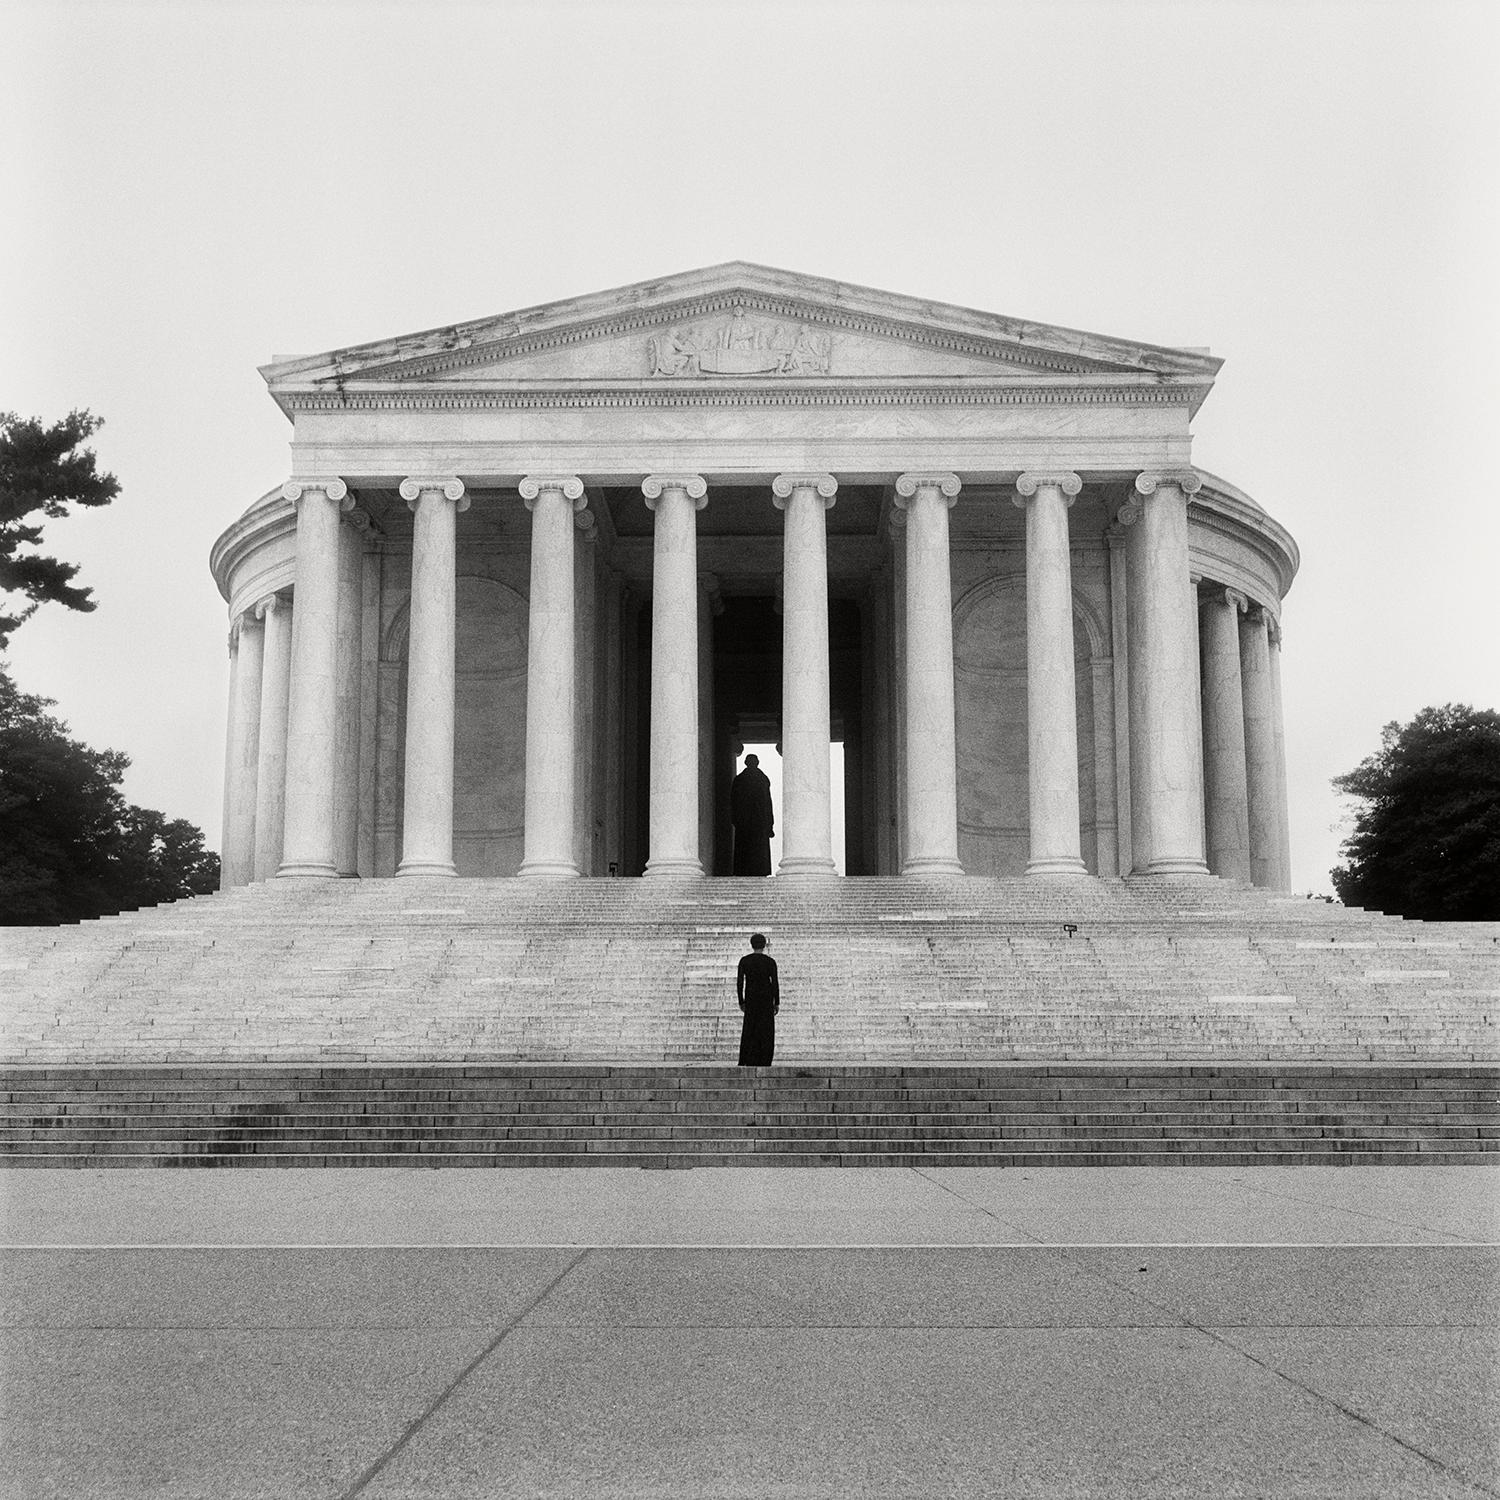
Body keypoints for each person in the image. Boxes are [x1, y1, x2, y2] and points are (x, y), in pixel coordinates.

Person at [736, 933, 780, 1066]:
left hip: (751, 997)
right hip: (766, 998)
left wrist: (741, 1001)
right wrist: (776, 1002)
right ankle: (765, 1058)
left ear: (751, 944)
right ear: (764, 945)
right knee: (766, 1029)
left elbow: (739, 982)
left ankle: (747, 1058)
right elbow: (775, 983)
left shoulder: (745, 960)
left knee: (750, 1028)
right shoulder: (770, 961)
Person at [730, 753, 775, 875]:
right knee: (758, 849)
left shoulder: (739, 779)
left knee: (745, 848)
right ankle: (759, 870)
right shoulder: (762, 779)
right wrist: (770, 824)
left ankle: (743, 871)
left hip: (744, 822)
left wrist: (735, 819)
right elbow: (767, 803)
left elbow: (733, 802)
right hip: (759, 821)